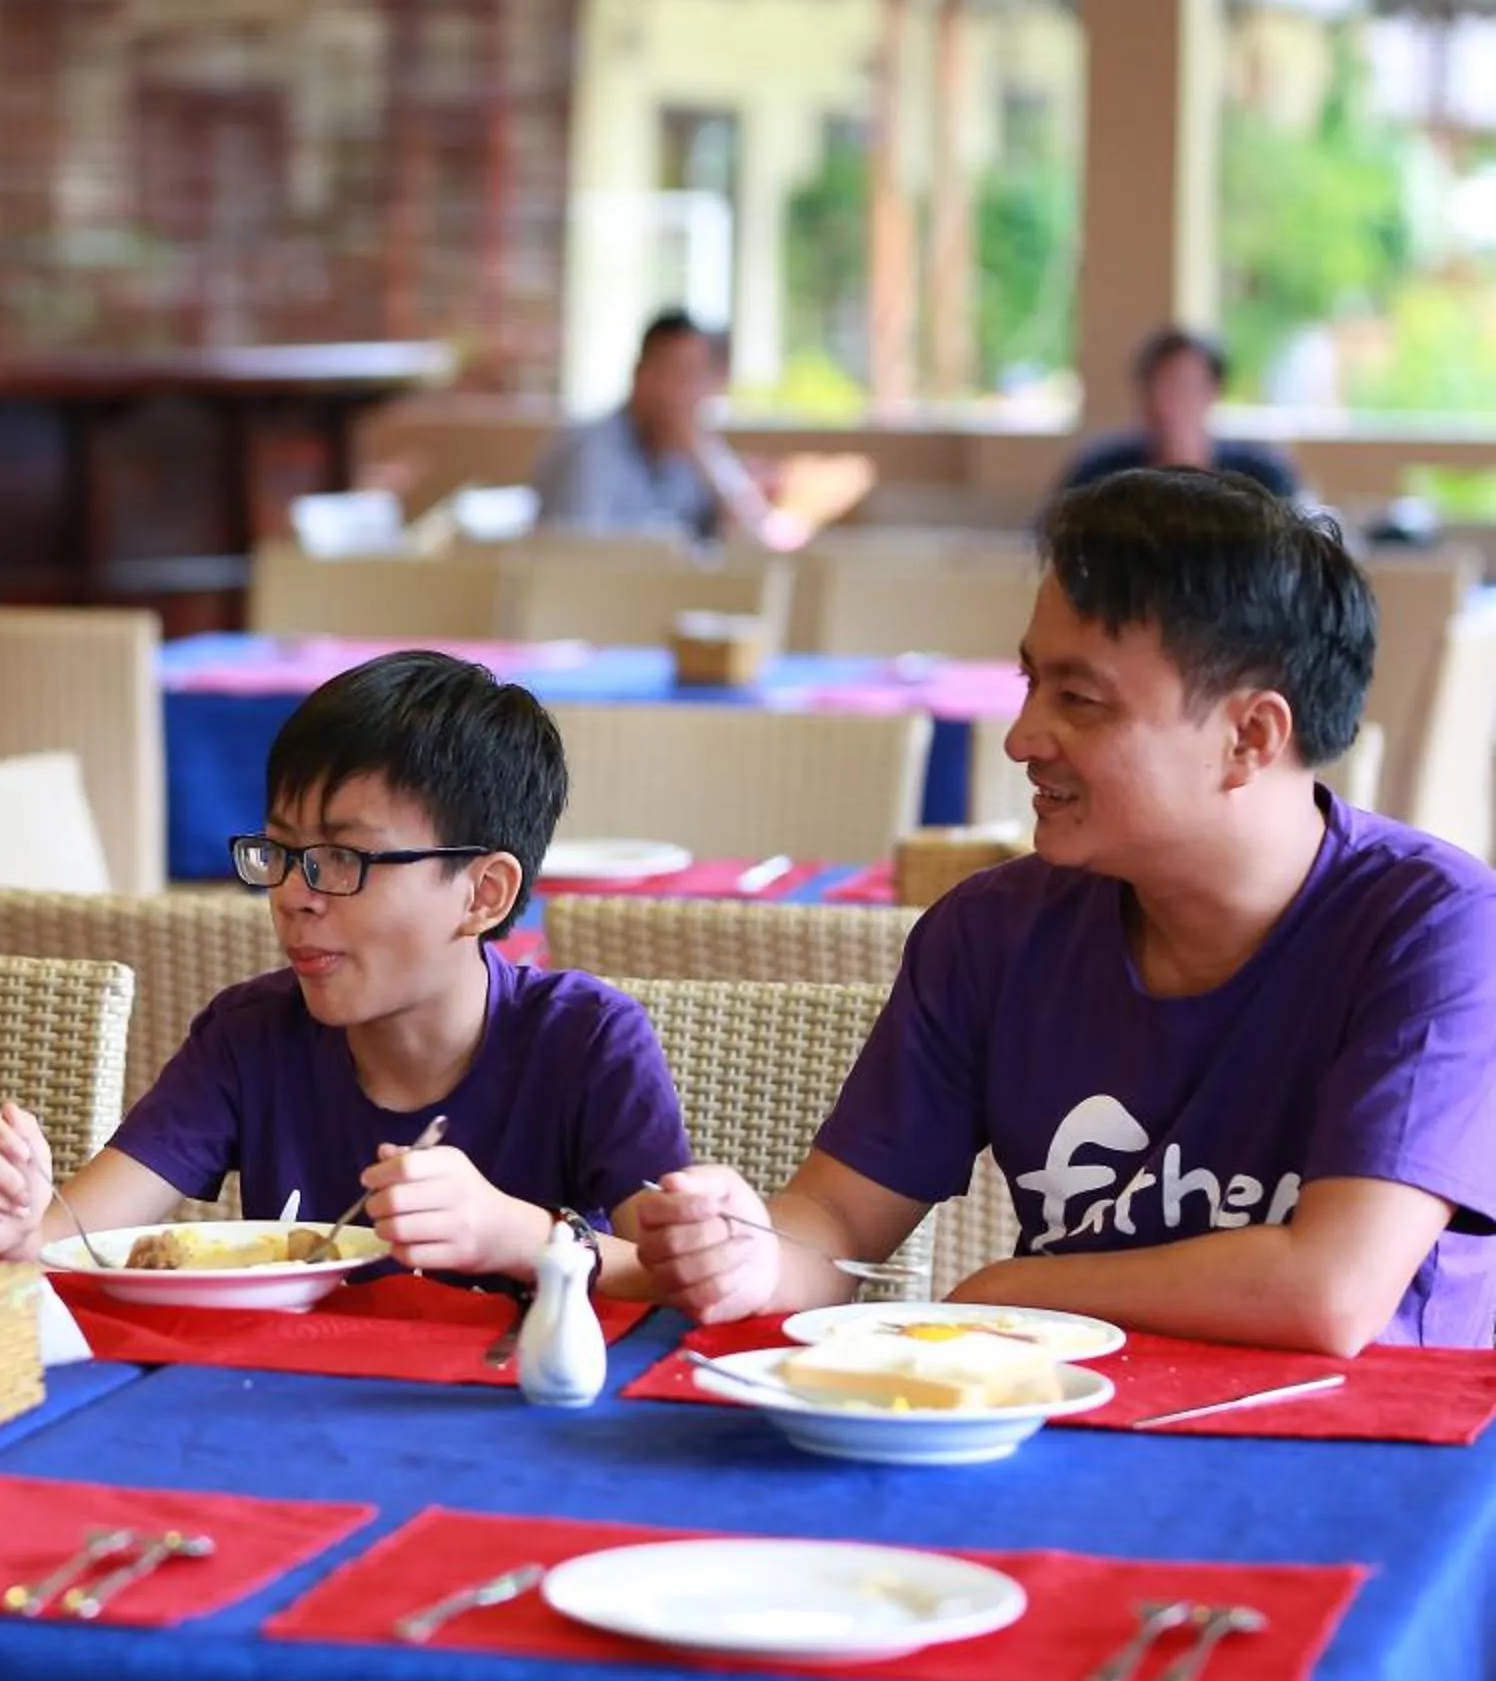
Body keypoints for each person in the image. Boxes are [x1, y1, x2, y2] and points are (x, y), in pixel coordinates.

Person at [637, 469, 1496, 1354]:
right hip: (1065, 1424)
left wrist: (1016, 1285)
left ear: (1250, 738)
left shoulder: (1434, 929)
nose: (1021, 738)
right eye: (1031, 683)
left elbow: (1331, 1294)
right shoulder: (992, 933)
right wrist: (750, 1253)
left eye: (1078, 700)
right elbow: (837, 1222)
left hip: (1366, 1451)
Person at [0, 650, 689, 1286]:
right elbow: (69, 1241)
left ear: (482, 894)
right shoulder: (250, 1037)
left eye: (341, 860)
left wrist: (522, 1237)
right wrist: (12, 1217)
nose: (293, 895)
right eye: (283, 854)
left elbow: (677, 1278)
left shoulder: (586, 1041)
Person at [531, 311, 795, 549]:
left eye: (691, 376)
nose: (677, 393)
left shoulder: (697, 451)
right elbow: (569, 562)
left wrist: (705, 462)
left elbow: (756, 544)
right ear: (638, 374)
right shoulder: (589, 452)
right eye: (668, 372)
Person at [1056, 328, 1299, 501]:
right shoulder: (1099, 475)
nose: (1163, 401)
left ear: (1213, 391)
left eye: (1181, 385)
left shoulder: (1261, 477)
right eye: (1153, 385)